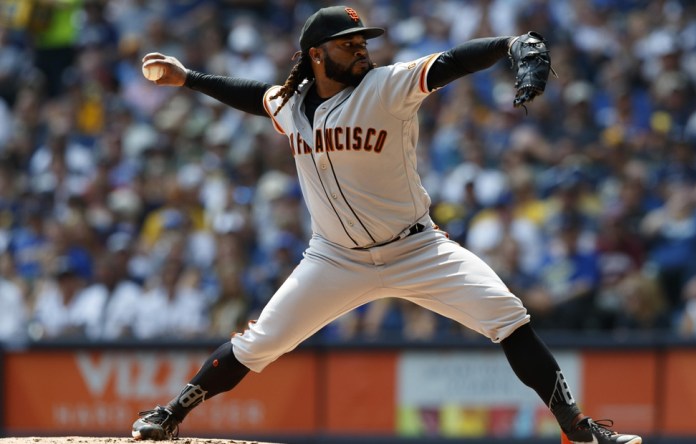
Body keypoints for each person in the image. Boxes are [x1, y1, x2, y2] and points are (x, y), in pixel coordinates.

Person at [132, 6, 642, 444]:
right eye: (347, 44)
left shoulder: (387, 86)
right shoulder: (290, 103)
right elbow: (253, 96)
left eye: (362, 41)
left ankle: (575, 427)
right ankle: (171, 414)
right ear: (316, 54)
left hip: (417, 249)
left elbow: (454, 61)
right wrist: (189, 78)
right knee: (260, 343)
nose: (361, 50)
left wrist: (511, 44)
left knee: (507, 315)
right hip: (333, 258)